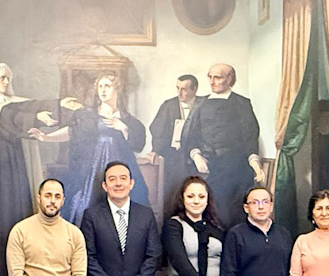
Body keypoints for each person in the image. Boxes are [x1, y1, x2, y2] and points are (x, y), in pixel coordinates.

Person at [0, 62, 60, 276]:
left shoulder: (11, 103)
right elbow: (10, 117)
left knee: (21, 210)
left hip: (18, 167)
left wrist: (49, 110)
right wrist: (35, 116)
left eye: (8, 78)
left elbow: (23, 109)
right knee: (1, 215)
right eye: (1, 77)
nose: (6, 82)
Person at [31, 73, 148, 225]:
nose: (103, 90)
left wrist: (123, 128)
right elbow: (72, 132)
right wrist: (46, 137)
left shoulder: (127, 119)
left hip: (119, 164)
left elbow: (138, 145)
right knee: (86, 201)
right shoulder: (87, 115)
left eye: (107, 86)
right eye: (100, 86)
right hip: (92, 166)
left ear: (117, 90)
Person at [80, 161, 162, 276]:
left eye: (123, 178)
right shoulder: (91, 215)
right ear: (104, 185)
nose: (118, 183)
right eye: (112, 179)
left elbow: (153, 257)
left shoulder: (146, 215)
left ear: (131, 183)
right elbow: (88, 257)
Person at [182, 63, 264, 227]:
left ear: (230, 79)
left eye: (218, 77)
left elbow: (250, 136)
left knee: (233, 214)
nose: (212, 81)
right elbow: (190, 136)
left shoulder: (242, 103)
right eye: (210, 77)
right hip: (207, 168)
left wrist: (255, 164)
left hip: (235, 168)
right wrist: (196, 156)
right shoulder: (200, 104)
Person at [149, 74, 202, 206]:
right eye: (177, 88)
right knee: (173, 194)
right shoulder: (168, 105)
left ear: (194, 89)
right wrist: (155, 150)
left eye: (184, 89)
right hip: (173, 158)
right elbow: (158, 131)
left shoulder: (203, 105)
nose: (179, 93)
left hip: (196, 158)